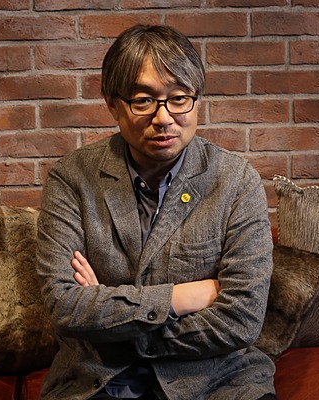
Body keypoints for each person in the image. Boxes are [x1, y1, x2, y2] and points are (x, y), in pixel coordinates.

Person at [35, 24, 276, 400]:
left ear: (197, 100)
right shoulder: (72, 178)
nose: (163, 118)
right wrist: (181, 297)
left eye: (179, 98)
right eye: (143, 100)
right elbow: (63, 306)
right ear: (113, 104)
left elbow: (242, 318)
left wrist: (114, 319)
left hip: (216, 381)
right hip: (101, 379)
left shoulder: (235, 181)